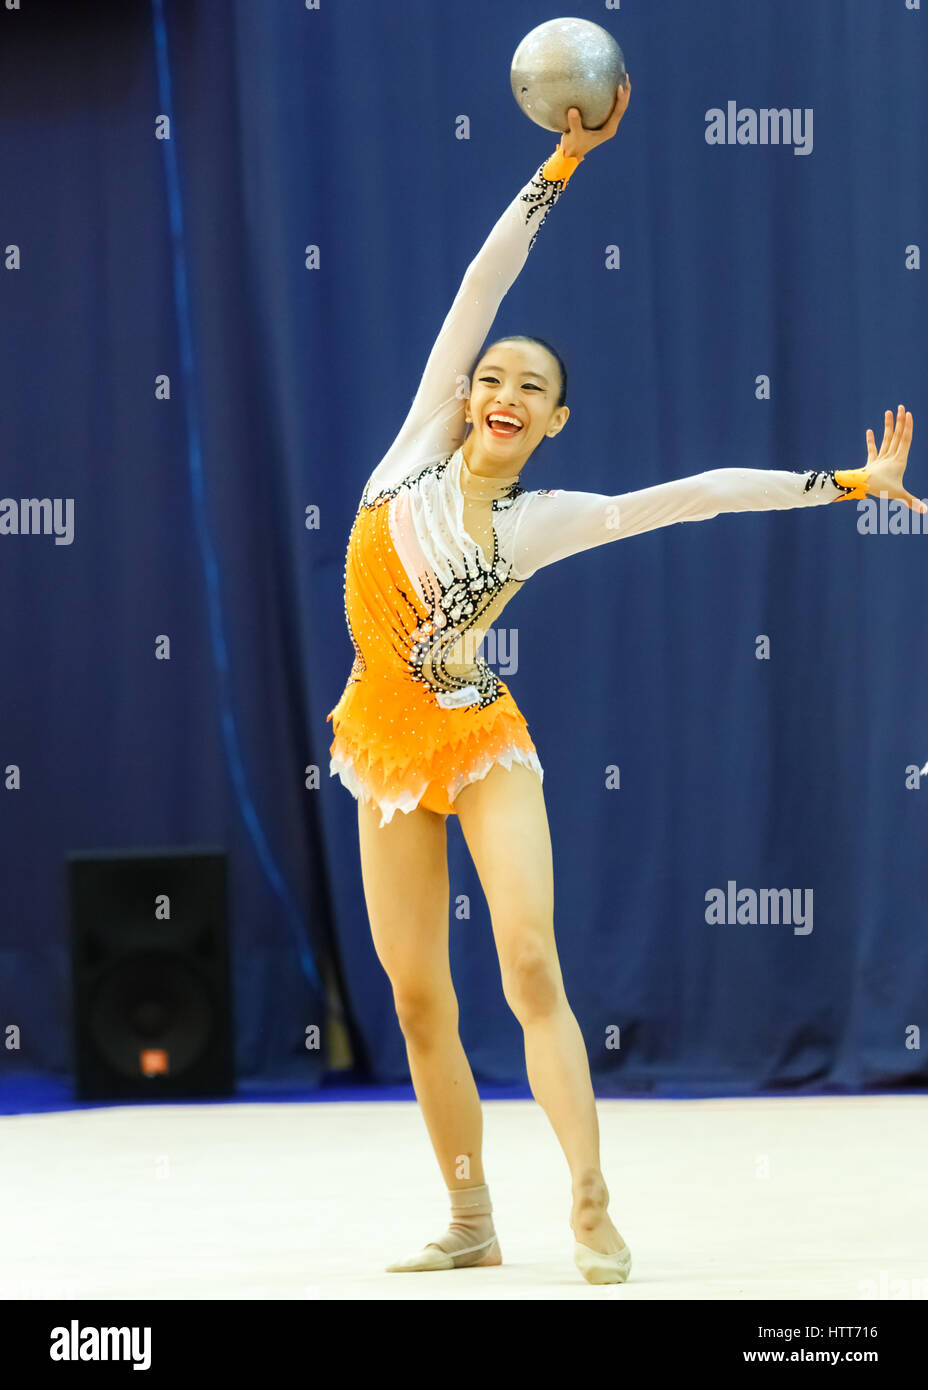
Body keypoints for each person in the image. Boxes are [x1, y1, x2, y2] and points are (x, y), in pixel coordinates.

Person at [326, 76, 921, 1283]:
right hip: (381, 745)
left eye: (530, 391)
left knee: (529, 963)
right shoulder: (406, 460)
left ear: (552, 425)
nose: (503, 394)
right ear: (464, 393)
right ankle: (470, 1217)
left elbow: (696, 492)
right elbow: (481, 286)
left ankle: (590, 1203)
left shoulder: (543, 521)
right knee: (416, 1001)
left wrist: (841, 486)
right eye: (493, 379)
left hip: (478, 737)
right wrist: (564, 163)